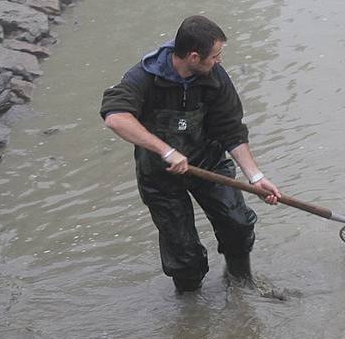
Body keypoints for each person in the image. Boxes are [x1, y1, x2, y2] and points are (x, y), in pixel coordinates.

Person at [100, 15, 281, 293]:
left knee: (238, 224)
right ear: (194, 57)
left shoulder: (215, 78)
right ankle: (191, 311)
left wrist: (255, 177)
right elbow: (115, 117)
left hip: (208, 163)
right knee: (183, 255)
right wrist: (166, 151)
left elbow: (231, 131)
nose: (219, 61)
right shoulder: (143, 78)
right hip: (160, 176)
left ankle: (240, 282)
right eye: (216, 55)